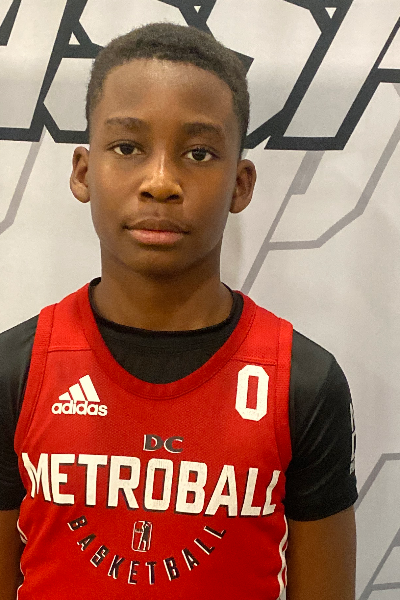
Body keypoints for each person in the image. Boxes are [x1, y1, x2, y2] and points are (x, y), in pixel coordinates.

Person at [0, 22, 357, 600]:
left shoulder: (303, 383)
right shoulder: (15, 370)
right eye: (127, 148)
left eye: (198, 153)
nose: (161, 182)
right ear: (83, 172)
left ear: (240, 184)